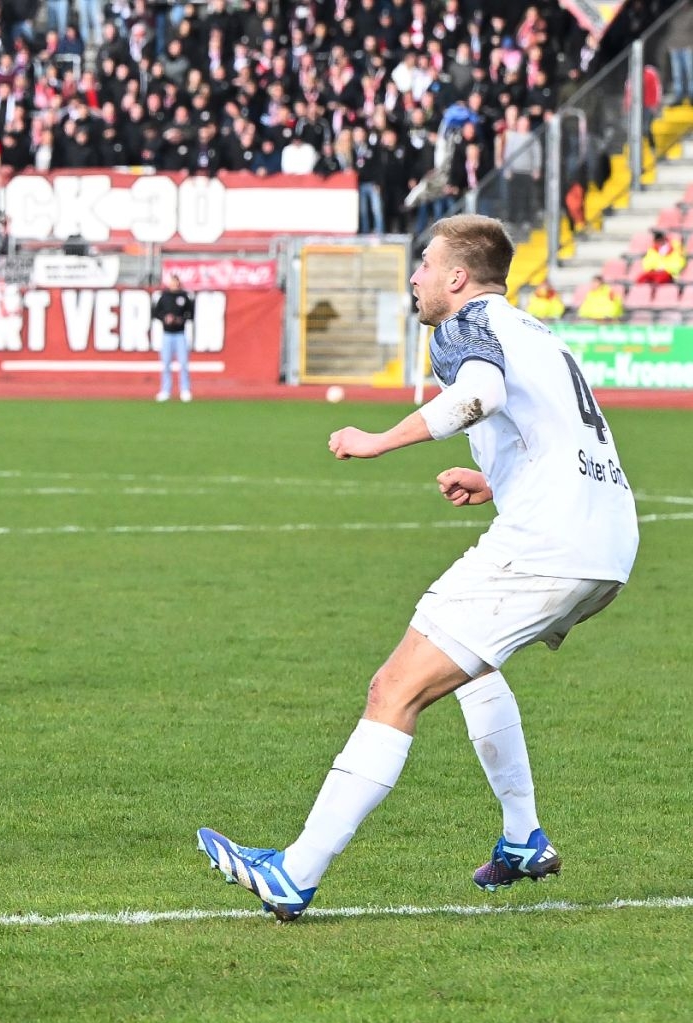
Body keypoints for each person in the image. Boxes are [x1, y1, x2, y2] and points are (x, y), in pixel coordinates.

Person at [197, 216, 637, 920]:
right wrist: (498, 482)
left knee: (393, 687)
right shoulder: (537, 332)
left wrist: (378, 440)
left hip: (547, 542)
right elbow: (556, 431)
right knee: (471, 662)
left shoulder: (464, 326)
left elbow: (482, 397)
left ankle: (294, 873)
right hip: (606, 540)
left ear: (457, 277)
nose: (415, 276)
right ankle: (523, 836)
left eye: (425, 264)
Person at [152, 271, 194, 402]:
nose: (174, 284)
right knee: (166, 364)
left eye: (176, 281)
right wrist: (165, 318)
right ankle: (166, 390)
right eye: (172, 281)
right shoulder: (164, 296)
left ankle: (185, 389)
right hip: (167, 334)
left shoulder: (184, 296)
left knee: (183, 363)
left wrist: (180, 319)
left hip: (180, 334)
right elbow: (156, 312)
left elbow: (190, 313)